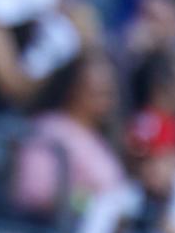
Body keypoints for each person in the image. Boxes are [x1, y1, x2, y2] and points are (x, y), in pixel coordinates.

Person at [9, 53, 126, 220]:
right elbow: (34, 190)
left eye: (109, 93)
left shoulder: (98, 137)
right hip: (56, 230)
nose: (106, 100)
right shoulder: (50, 129)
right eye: (97, 92)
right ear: (74, 90)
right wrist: (89, 202)